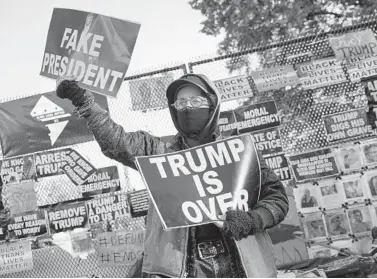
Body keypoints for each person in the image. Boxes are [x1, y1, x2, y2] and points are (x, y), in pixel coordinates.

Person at [56, 74, 288, 278]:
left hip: (241, 264)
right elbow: (115, 141)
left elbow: (276, 198)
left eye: (196, 101)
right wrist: (83, 101)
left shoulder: (239, 150)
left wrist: (252, 220)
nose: (188, 108)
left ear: (212, 105)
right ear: (173, 109)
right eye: (181, 102)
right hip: (186, 268)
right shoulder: (160, 153)